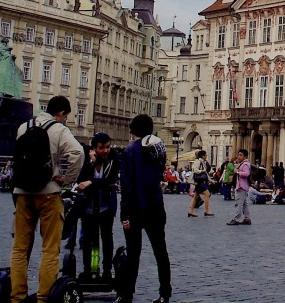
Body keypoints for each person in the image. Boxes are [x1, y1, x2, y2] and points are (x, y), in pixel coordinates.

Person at [10, 95, 85, 303]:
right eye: (66, 117)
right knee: (50, 249)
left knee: (19, 248)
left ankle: (17, 297)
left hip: (23, 192)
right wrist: (66, 179)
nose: (66, 120)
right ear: (60, 113)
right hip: (49, 192)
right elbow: (77, 153)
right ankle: (44, 298)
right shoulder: (59, 129)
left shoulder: (24, 127)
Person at [118, 114, 172, 303]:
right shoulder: (158, 150)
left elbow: (126, 185)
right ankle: (165, 293)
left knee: (133, 253)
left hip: (134, 208)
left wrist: (124, 212)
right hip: (155, 206)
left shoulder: (129, 152)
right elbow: (159, 175)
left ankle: (127, 294)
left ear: (133, 130)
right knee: (160, 251)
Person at [76, 131, 120, 280]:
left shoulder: (113, 159)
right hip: (88, 207)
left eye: (107, 147)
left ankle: (107, 270)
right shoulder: (86, 161)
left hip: (106, 207)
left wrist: (92, 183)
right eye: (101, 148)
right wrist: (91, 164)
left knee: (107, 239)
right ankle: (90, 269)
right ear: (94, 148)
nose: (106, 150)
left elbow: (109, 180)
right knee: (90, 240)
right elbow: (80, 181)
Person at [228, 149, 252, 226]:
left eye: (241, 155)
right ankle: (247, 218)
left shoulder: (245, 164)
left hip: (241, 186)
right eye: (238, 155)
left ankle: (236, 219)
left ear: (245, 156)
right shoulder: (242, 164)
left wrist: (237, 172)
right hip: (242, 185)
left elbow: (246, 173)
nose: (239, 156)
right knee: (244, 203)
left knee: (239, 203)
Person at [187, 150, 214, 217]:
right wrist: (202, 170)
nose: (206, 156)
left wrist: (210, 180)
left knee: (195, 196)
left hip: (200, 181)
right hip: (199, 181)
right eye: (205, 155)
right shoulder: (198, 161)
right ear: (202, 156)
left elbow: (205, 173)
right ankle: (206, 211)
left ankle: (190, 211)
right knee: (207, 194)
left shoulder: (202, 162)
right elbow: (195, 170)